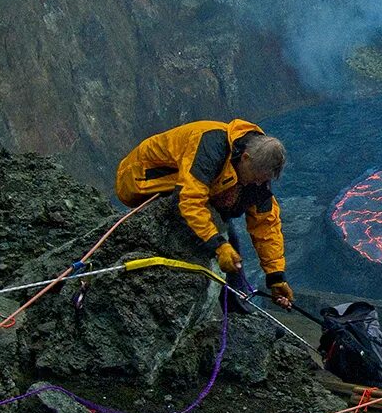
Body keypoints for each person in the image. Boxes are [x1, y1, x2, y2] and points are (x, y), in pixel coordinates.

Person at [115, 118, 294, 309]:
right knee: (217, 228)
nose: (258, 184)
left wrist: (275, 276)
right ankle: (229, 298)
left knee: (226, 231)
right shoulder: (210, 145)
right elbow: (189, 200)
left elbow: (266, 224)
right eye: (257, 178)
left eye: (263, 180)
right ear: (246, 158)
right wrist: (218, 246)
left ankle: (234, 300)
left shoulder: (255, 169)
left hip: (196, 187)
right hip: (143, 180)